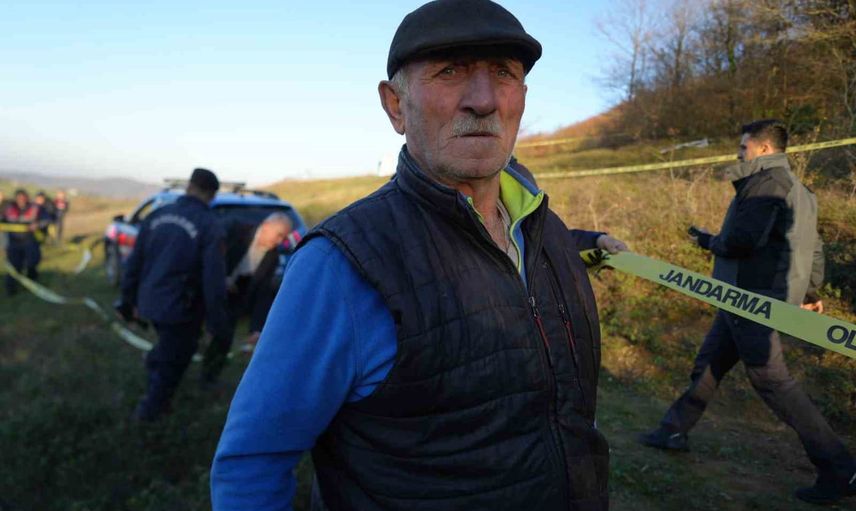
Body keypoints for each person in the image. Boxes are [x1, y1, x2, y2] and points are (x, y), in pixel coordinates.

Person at [211, 1, 618, 509]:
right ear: (395, 106)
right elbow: (252, 464)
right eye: (450, 71)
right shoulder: (341, 266)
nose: (484, 100)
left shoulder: (547, 232)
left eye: (503, 73)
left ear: (522, 97)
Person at [638, 119, 855, 506]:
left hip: (751, 298)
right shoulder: (800, 189)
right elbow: (814, 246)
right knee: (710, 362)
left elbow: (741, 241)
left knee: (772, 380)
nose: (739, 154)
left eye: (743, 148)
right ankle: (673, 429)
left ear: (764, 149)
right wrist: (810, 289)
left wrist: (707, 241)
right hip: (747, 298)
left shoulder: (765, 183)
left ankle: (840, 468)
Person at [117, 168, 229, 421]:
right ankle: (148, 415)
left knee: (169, 349)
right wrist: (217, 323)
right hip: (182, 308)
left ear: (189, 186)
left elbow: (134, 263)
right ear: (212, 195)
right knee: (175, 359)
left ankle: (156, 373)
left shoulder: (157, 215)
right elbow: (213, 281)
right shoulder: (210, 225)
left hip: (150, 300)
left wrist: (126, 300)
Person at [201, 212, 296, 384]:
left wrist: (256, 329)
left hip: (235, 297)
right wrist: (220, 279)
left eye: (284, 238)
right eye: (279, 235)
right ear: (266, 227)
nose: (280, 241)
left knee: (224, 337)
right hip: (207, 287)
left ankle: (208, 378)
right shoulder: (235, 230)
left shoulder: (272, 256)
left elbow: (263, 294)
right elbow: (208, 256)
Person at [2, 189, 50, 295]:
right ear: (16, 198)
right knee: (14, 266)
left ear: (27, 198)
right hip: (13, 243)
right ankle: (11, 290)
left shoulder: (36, 208)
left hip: (30, 241)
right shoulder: (8, 208)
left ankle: (32, 284)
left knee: (32, 263)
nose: (21, 200)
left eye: (23, 198)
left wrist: (37, 224)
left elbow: (46, 219)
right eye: (19, 198)